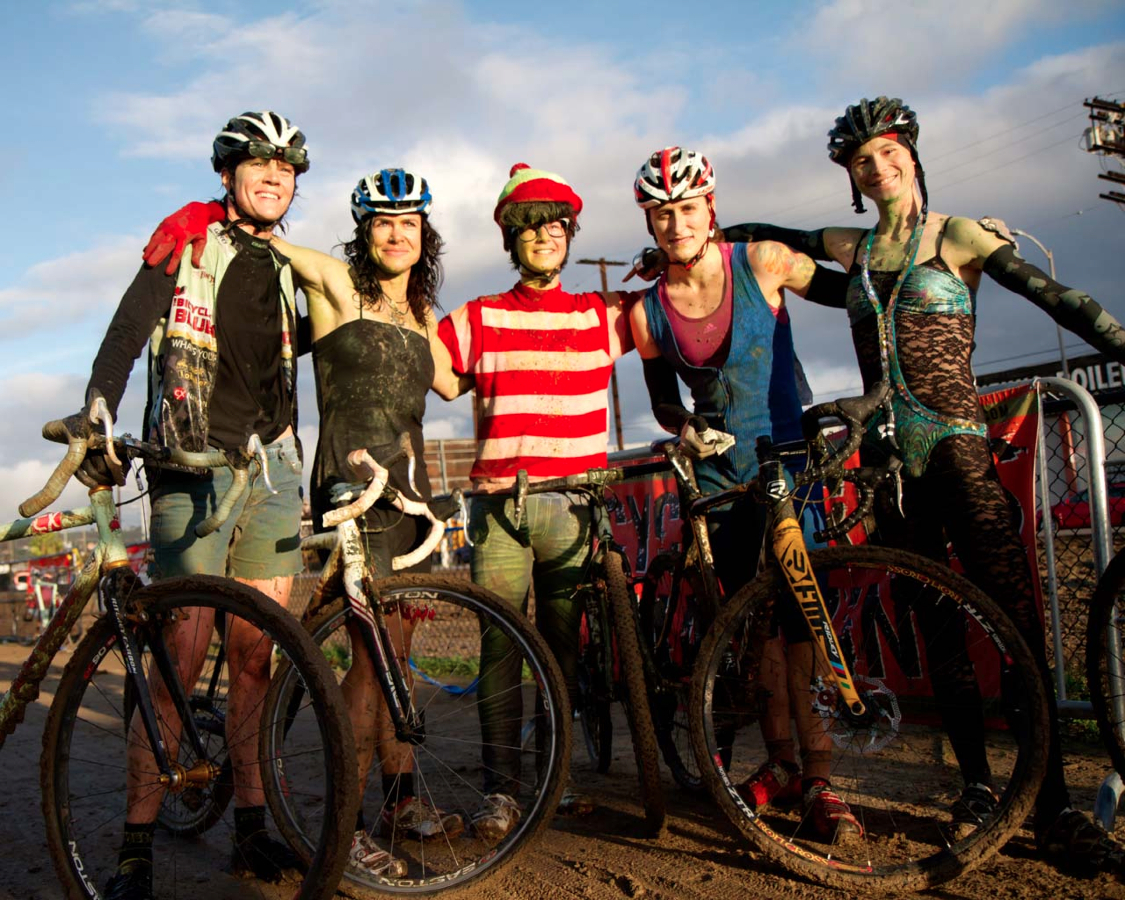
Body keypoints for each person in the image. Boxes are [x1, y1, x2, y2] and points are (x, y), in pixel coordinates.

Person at [723, 96, 1125, 871]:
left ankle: (1050, 805)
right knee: (938, 631)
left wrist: (1118, 342)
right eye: (859, 161)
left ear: (909, 151)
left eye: (886, 152)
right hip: (885, 466)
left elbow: (1055, 298)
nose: (877, 168)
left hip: (954, 445)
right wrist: (703, 241)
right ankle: (977, 789)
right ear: (850, 176)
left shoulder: (962, 236)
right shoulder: (851, 246)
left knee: (1016, 628)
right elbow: (767, 238)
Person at [141, 168, 472, 878]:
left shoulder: (423, 318)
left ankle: (400, 799)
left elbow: (458, 380)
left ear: (425, 235)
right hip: (350, 483)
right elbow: (257, 239)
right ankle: (345, 825)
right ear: (363, 231)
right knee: (361, 663)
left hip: (407, 493)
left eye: (408, 222)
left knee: (395, 660)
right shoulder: (332, 283)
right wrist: (202, 210)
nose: (394, 233)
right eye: (381, 222)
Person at [81, 110, 311, 900]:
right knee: (178, 654)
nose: (274, 174)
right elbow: (127, 328)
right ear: (227, 174)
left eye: (286, 166)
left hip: (275, 468)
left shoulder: (289, 264)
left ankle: (251, 829)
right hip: (191, 464)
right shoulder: (187, 237)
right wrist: (97, 409)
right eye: (258, 162)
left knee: (256, 659)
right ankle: (135, 848)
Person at [628, 146, 861, 842]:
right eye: (660, 213)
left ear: (710, 209)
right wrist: (686, 429)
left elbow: (855, 294)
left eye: (686, 208)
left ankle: (819, 775)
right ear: (648, 218)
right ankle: (782, 763)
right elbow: (663, 404)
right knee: (749, 621)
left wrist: (927, 253)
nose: (675, 224)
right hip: (724, 478)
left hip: (787, 459)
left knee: (800, 619)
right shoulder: (647, 315)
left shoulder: (760, 262)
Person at [436, 164, 635, 838]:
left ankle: (560, 775)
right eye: (528, 226)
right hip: (499, 510)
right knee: (497, 648)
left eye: (555, 223)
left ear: (571, 231)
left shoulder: (602, 315)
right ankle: (502, 791)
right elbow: (422, 369)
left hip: (576, 508)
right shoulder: (474, 318)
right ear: (508, 239)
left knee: (562, 653)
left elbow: (685, 313)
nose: (544, 235)